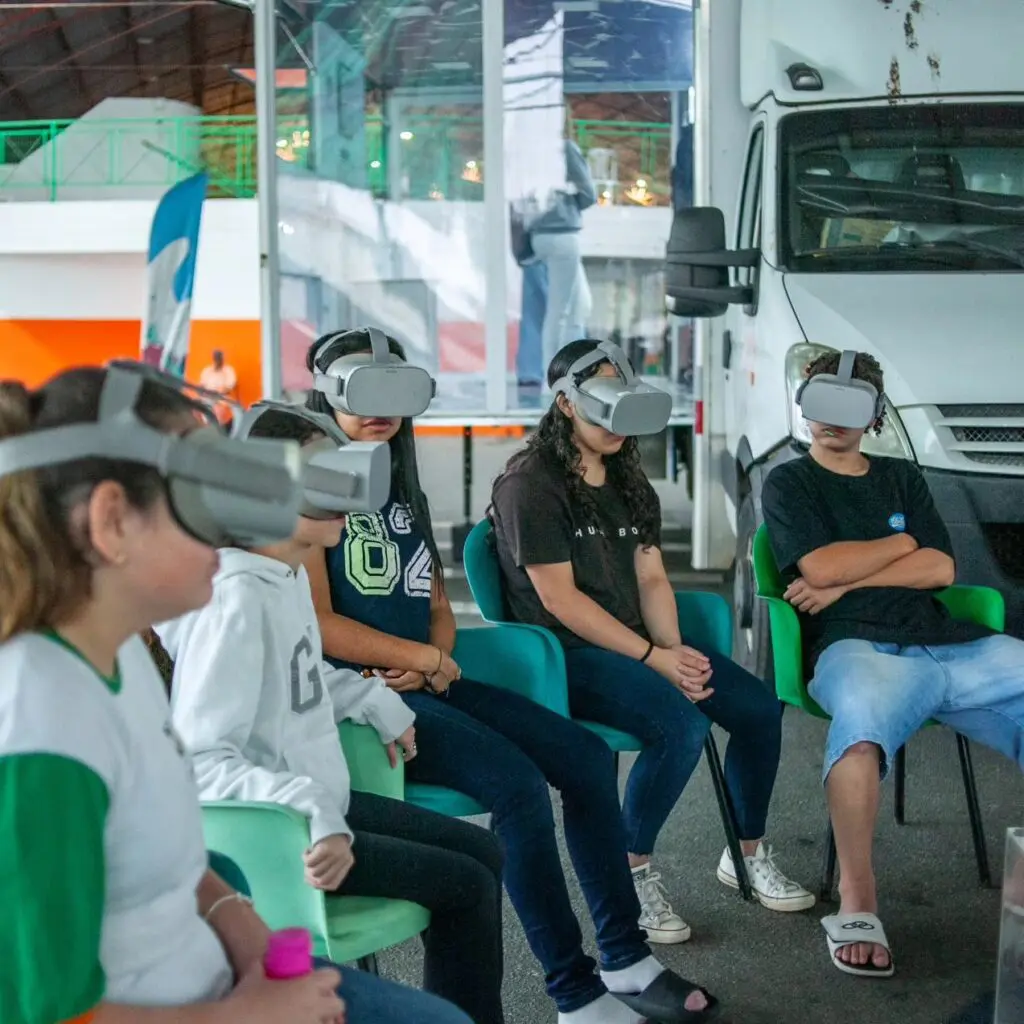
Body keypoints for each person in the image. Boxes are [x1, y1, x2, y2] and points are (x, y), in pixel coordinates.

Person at [0, 364, 472, 1024]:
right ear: (112, 522)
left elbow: (173, 856)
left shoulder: (123, 656)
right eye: (207, 495)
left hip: (226, 970)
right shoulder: (39, 727)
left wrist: (246, 933)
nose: (245, 521)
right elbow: (43, 1012)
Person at [304, 330, 717, 1024]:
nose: (380, 412)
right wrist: (416, 663)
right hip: (360, 700)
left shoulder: (400, 487)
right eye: (361, 393)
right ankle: (574, 993)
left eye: (395, 395)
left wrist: (433, 659)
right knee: (519, 788)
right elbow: (315, 622)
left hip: (426, 680)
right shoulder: (312, 490)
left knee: (585, 760)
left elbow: (435, 597)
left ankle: (624, 958)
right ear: (327, 393)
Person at [156, 404, 505, 1024]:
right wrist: (310, 808)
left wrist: (371, 699)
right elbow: (201, 761)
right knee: (469, 884)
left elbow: (293, 677)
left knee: (485, 857)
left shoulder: (282, 574)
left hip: (319, 802)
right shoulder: (235, 601)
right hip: (288, 836)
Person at [489, 339, 815, 931]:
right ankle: (630, 870)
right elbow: (559, 600)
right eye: (602, 407)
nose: (617, 424)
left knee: (760, 710)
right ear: (565, 405)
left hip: (638, 643)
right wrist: (652, 659)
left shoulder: (626, 472)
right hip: (567, 654)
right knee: (679, 727)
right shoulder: (528, 484)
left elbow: (651, 574)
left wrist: (671, 650)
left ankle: (745, 851)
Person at [761, 349, 1024, 979]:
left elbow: (941, 569)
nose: (833, 420)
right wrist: (897, 545)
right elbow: (817, 567)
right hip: (855, 647)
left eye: (851, 406)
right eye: (822, 401)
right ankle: (858, 900)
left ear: (874, 415)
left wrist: (844, 579)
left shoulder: (902, 476)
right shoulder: (788, 482)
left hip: (948, 640)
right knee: (859, 731)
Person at [530, 138, 597, 373]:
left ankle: (569, 368)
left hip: (538, 234)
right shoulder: (563, 147)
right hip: (562, 233)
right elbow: (589, 194)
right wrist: (570, 203)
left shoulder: (526, 148)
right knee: (562, 311)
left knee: (579, 305)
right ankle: (556, 376)